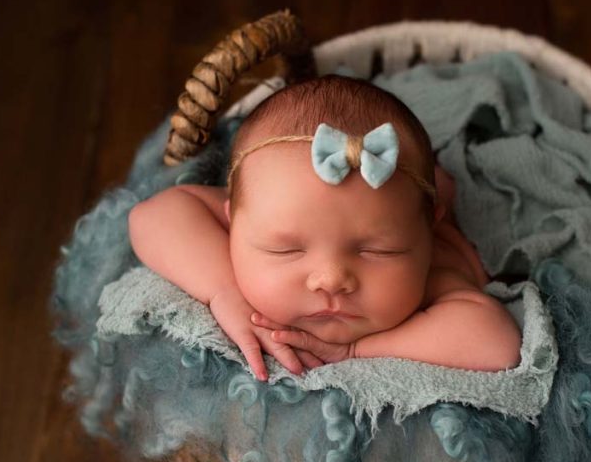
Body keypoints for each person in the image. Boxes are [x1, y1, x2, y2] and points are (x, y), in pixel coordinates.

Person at [128, 75, 521, 381]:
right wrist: (222, 291)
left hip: (431, 209)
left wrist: (356, 352)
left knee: (435, 186)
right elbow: (151, 216)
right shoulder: (267, 204)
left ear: (427, 233)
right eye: (286, 249)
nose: (331, 280)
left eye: (377, 251)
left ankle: (438, 182)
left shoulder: (431, 275)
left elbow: (497, 343)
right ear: (233, 219)